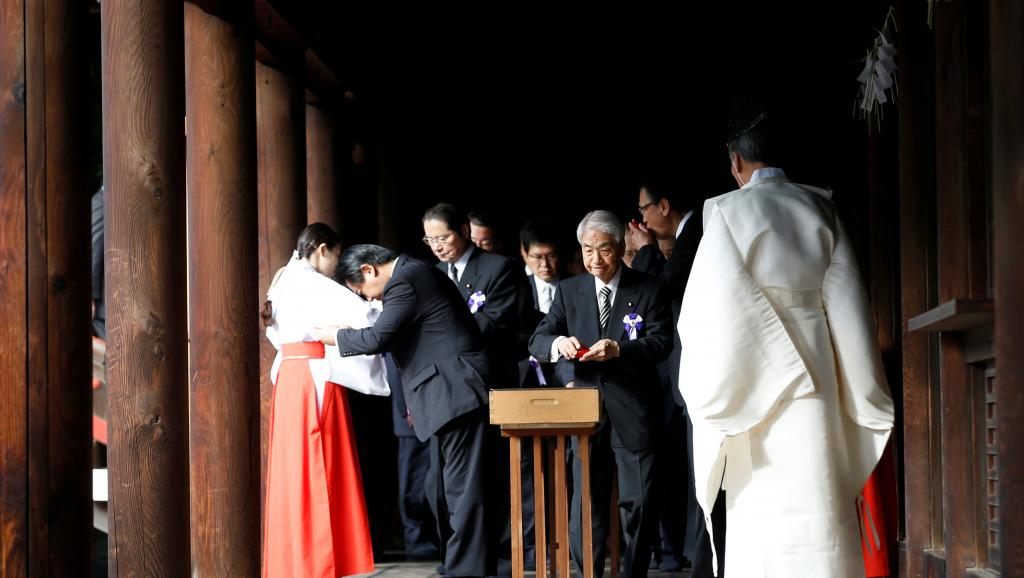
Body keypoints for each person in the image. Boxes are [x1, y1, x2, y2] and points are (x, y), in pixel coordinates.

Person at [677, 102, 894, 577]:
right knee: (820, 496)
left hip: (753, 386)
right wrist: (867, 396)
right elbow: (852, 315)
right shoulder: (821, 208)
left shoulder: (728, 215)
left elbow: (704, 320)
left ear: (735, 161)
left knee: (764, 516)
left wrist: (733, 388)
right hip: (817, 379)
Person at [317, 244, 506, 578]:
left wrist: (334, 336)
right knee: (444, 490)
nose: (370, 300)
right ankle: (461, 563)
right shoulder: (413, 274)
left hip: (456, 391)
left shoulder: (406, 279)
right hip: (446, 395)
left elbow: (378, 337)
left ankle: (467, 570)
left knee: (463, 489)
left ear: (368, 270)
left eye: (363, 293)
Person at [530, 210, 673, 578]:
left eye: (604, 250)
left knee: (638, 503)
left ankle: (634, 572)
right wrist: (559, 342)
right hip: (585, 412)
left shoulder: (649, 288)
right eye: (588, 250)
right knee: (586, 504)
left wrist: (621, 349)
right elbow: (539, 338)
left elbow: (661, 342)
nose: (595, 259)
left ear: (621, 246)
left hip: (634, 409)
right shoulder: (569, 290)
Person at [261, 223, 390, 578]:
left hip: (289, 374)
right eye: (334, 256)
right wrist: (379, 305)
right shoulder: (312, 283)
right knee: (320, 465)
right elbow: (365, 317)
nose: (335, 266)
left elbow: (274, 333)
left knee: (295, 469)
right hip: (314, 375)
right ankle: (317, 561)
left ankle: (293, 559)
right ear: (321, 249)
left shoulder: (283, 279)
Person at [626, 183, 707, 573]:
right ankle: (683, 551)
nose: (641, 219)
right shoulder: (687, 233)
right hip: (674, 377)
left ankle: (697, 554)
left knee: (694, 469)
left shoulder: (698, 229)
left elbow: (662, 289)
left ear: (664, 205)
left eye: (644, 209)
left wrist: (644, 251)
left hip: (696, 369)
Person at [388, 354, 440, 560]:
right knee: (414, 480)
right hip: (411, 411)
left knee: (432, 478)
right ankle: (416, 539)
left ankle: (432, 537)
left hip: (432, 406)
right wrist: (405, 409)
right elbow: (394, 365)